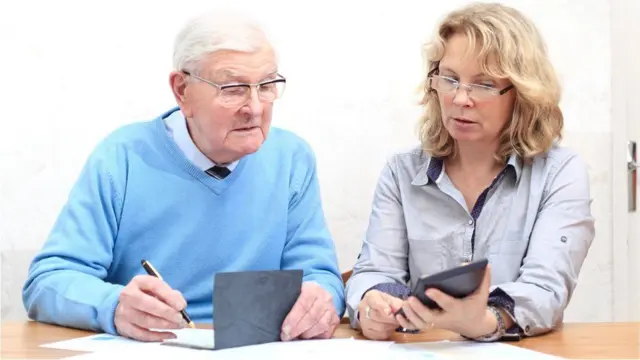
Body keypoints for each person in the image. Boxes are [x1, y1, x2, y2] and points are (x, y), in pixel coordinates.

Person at [22, 11, 344, 342]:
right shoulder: (122, 157)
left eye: (266, 86)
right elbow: (48, 282)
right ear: (182, 90)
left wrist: (321, 300)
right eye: (233, 89)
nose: (256, 108)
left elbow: (322, 277)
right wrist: (113, 306)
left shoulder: (292, 158)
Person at [345, 2, 595, 342]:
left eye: (484, 84)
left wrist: (483, 320)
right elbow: (374, 271)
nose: (461, 98)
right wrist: (373, 304)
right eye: (449, 79)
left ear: (521, 94)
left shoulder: (560, 173)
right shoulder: (402, 170)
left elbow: (545, 289)